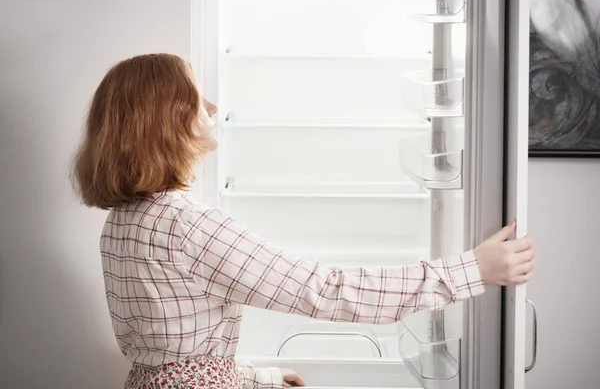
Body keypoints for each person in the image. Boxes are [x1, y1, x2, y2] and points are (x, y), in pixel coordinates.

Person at [72, 54, 534, 389]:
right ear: (167, 119)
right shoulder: (186, 224)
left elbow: (169, 352)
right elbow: (326, 290)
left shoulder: (124, 221)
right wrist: (473, 269)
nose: (210, 107)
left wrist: (256, 378)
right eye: (195, 97)